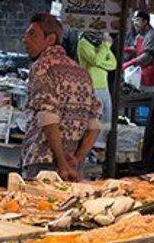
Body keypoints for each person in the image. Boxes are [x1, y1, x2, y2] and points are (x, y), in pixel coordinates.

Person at [21, 12, 101, 181]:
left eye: (32, 34)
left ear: (50, 39)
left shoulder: (42, 66)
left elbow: (48, 117)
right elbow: (94, 124)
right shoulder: (81, 72)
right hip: (71, 163)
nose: (25, 39)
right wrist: (76, 160)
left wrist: (62, 163)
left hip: (43, 161)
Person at [75, 20, 117, 128]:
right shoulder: (83, 43)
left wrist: (99, 60)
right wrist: (106, 45)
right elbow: (96, 60)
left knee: (107, 120)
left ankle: (103, 144)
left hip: (104, 86)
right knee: (94, 121)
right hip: (92, 86)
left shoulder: (101, 45)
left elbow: (113, 64)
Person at [123, 9, 154, 89]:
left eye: (138, 20)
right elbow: (135, 49)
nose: (135, 23)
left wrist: (130, 63)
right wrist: (125, 50)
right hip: (141, 72)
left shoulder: (152, 35)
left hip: (152, 74)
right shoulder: (139, 36)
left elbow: (147, 56)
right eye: (134, 21)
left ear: (145, 21)